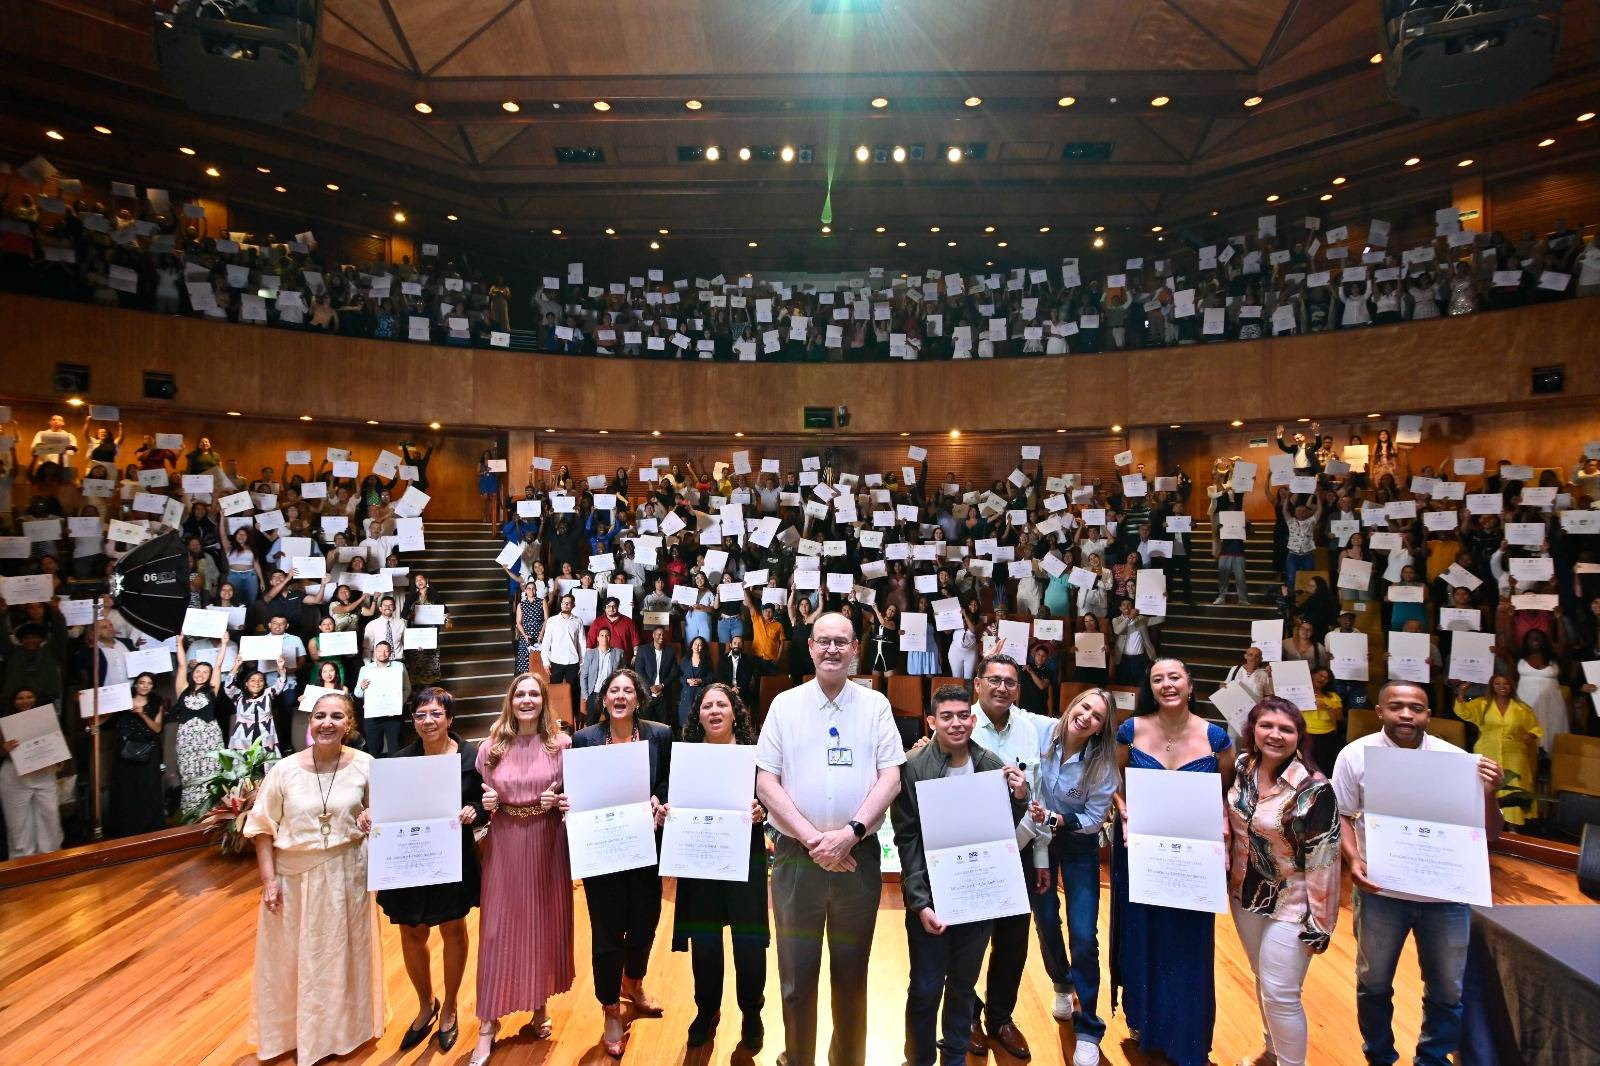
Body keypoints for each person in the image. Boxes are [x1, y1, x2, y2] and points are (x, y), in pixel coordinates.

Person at [755, 611, 905, 1066]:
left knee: (850, 976)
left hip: (856, 862)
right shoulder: (785, 705)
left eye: (841, 641)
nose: (832, 649)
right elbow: (766, 781)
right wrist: (815, 842)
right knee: (796, 977)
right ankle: (798, 1059)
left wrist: (850, 833)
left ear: (856, 648)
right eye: (824, 641)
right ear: (811, 647)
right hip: (795, 862)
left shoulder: (875, 705)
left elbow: (891, 777)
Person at [1332, 680, 1504, 1066]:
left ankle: (1432, 1058)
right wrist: (1353, 858)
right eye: (1396, 707)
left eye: (1416, 708)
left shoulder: (1456, 759)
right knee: (1373, 984)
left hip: (1446, 897)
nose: (1406, 714)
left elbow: (1490, 833)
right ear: (1380, 711)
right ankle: (1378, 1056)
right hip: (1380, 892)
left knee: (1446, 991)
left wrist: (1490, 795)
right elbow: (1341, 814)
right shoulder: (1355, 755)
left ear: (1429, 713)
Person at [242, 692, 382, 1065]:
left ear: (349, 725)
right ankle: (293, 1034)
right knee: (291, 960)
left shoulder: (366, 765)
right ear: (309, 722)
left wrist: (371, 819)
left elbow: (384, 814)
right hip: (294, 879)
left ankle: (339, 1033)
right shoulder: (283, 770)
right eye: (320, 715)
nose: (327, 723)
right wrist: (268, 880)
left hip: (347, 875)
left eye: (337, 716)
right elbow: (261, 827)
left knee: (340, 957)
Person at [893, 684, 1030, 1066]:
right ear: (931, 721)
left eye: (962, 716)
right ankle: (918, 1059)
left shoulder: (990, 764)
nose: (956, 724)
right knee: (924, 989)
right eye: (946, 716)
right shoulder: (913, 766)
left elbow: (999, 831)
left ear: (973, 719)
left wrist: (1020, 797)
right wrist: (919, 903)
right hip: (930, 900)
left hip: (977, 899)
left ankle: (954, 1057)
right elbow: (908, 840)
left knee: (963, 988)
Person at [1111, 657, 1235, 1066]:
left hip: (1192, 858)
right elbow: (1116, 781)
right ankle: (1147, 1025)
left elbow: (1224, 791)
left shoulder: (1216, 737)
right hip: (1140, 849)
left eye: (1174, 677)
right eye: (1158, 679)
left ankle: (1186, 1035)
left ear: (1189, 684)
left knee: (1188, 943)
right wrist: (1122, 809)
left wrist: (1219, 822)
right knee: (1144, 933)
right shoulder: (1131, 729)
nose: (1167, 684)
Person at [366, 687, 485, 1054]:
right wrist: (372, 815)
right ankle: (425, 1004)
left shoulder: (471, 757)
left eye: (436, 714)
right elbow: (386, 807)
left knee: (452, 928)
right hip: (409, 859)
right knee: (411, 931)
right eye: (420, 715)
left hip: (452, 856)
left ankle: (449, 1007)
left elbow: (484, 798)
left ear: (450, 718)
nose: (428, 721)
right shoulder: (401, 761)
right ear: (413, 721)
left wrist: (474, 811)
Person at [1227, 696, 1341, 1066]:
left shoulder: (1314, 789)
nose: (1275, 735)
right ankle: (1272, 1051)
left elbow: (1325, 863)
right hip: (1245, 894)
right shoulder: (1243, 767)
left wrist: (1321, 924)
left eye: (1286, 729)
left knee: (1281, 992)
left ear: (1299, 736)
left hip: (1292, 902)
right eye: (1267, 726)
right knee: (1263, 976)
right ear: (1253, 730)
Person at [471, 673, 575, 1066]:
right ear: (510, 701)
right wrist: (487, 804)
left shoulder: (561, 745)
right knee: (497, 930)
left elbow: (577, 796)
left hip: (548, 844)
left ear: (543, 701)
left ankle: (538, 1006)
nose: (527, 700)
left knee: (542, 923)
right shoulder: (491, 747)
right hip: (505, 844)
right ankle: (487, 1023)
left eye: (534, 694)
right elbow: (474, 799)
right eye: (520, 694)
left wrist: (560, 799)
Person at [572, 668, 673, 1057]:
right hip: (601, 848)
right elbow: (575, 788)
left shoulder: (658, 734)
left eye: (627, 690)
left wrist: (658, 799)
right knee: (608, 930)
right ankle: (610, 1008)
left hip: (645, 845)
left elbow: (666, 780)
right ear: (604, 698)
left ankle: (634, 981)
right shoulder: (585, 740)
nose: (620, 696)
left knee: (646, 921)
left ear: (638, 698)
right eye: (613, 690)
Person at [671, 682, 770, 1051]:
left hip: (745, 857)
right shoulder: (686, 756)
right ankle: (707, 1009)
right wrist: (668, 811)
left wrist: (764, 811)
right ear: (697, 715)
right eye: (707, 705)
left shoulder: (754, 755)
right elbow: (673, 800)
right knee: (706, 942)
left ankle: (751, 1011)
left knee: (749, 942)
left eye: (721, 705)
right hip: (700, 860)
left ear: (734, 712)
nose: (714, 711)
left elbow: (772, 798)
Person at [1029, 688, 1120, 1066]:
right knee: (1046, 920)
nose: (1086, 716)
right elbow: (1002, 708)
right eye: (1084, 706)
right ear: (1072, 705)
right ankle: (1063, 983)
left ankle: (1088, 1028)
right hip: (1039, 844)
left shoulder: (1103, 764)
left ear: (1101, 728)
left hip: (1078, 845)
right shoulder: (1038, 729)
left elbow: (1095, 820)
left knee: (1084, 934)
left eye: (1097, 716)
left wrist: (1057, 819)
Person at [966, 653, 1049, 1060]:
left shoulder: (1030, 730)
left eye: (1010, 682)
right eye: (994, 680)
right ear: (977, 683)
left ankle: (1000, 1016)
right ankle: (965, 1014)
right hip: (971, 851)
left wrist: (1041, 858)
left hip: (1018, 849)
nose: (1002, 687)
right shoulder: (960, 723)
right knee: (967, 941)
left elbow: (1038, 798)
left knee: (1013, 941)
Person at [1450, 673, 1542, 827]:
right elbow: (1463, 712)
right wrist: (1461, 693)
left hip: (1515, 753)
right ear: (1492, 686)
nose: (1502, 687)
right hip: (1487, 750)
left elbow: (1535, 728)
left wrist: (1530, 736)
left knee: (1514, 785)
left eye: (1505, 683)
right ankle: (1484, 822)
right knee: (1486, 785)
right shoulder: (1483, 704)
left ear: (1511, 686)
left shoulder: (1522, 708)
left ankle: (1513, 825)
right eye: (1497, 684)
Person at [0, 687, 65, 856]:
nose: (25, 701)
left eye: (29, 696)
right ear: (13, 701)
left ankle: (50, 856)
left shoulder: (47, 718)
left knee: (50, 817)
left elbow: (57, 744)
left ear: (36, 698)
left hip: (44, 773)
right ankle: (21, 860)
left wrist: (60, 758)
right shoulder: (4, 722)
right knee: (18, 823)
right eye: (20, 698)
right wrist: (4, 749)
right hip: (14, 776)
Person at [173, 637, 229, 816]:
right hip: (187, 739)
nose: (201, 674)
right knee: (189, 773)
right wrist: (179, 644)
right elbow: (182, 665)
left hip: (209, 737)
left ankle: (210, 811)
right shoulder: (182, 689)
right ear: (193, 671)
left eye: (206, 671)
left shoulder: (212, 689)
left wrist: (224, 644)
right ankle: (191, 812)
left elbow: (219, 666)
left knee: (211, 772)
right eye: (199, 670)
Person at [107, 672, 166, 837]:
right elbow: (106, 720)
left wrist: (142, 713)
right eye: (142, 682)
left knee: (148, 790)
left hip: (149, 753)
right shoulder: (122, 702)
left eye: (149, 683)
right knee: (127, 790)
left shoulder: (157, 703)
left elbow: (157, 728)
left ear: (153, 686)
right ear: (135, 684)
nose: (145, 685)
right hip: (125, 753)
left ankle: (149, 827)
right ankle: (127, 827)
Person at [355, 640, 411, 756]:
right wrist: (362, 687)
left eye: (386, 650)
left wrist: (398, 704)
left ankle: (395, 773)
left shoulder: (399, 666)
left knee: (396, 749)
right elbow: (357, 694)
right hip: (372, 716)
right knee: (374, 751)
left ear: (391, 652)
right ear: (375, 652)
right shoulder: (366, 669)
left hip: (393, 715)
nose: (383, 653)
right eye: (379, 650)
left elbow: (407, 688)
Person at [539, 592, 585, 711]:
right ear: (561, 605)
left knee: (574, 690)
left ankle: (575, 716)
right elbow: (546, 643)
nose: (565, 605)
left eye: (568, 603)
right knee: (555, 690)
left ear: (573, 606)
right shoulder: (552, 621)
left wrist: (582, 663)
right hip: (556, 661)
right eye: (564, 603)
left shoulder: (578, 621)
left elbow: (582, 643)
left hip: (573, 662)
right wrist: (545, 662)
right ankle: (555, 714)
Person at [632, 625, 680, 726]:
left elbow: (674, 672)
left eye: (663, 634)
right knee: (644, 725)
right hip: (647, 694)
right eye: (659, 634)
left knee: (662, 726)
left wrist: (662, 685)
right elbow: (639, 670)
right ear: (653, 635)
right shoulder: (643, 650)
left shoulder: (670, 651)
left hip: (663, 695)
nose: (661, 636)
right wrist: (651, 686)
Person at [715, 632, 761, 712]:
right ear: (730, 645)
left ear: (743, 646)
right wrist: (731, 688)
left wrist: (739, 689)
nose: (737, 645)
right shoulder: (723, 658)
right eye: (735, 643)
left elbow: (747, 677)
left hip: (742, 690)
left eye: (739, 643)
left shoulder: (748, 660)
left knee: (750, 701)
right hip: (727, 689)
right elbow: (721, 676)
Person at [678, 634, 714, 732]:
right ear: (691, 645)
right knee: (685, 723)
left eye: (700, 645)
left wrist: (701, 680)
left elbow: (711, 677)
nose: (697, 646)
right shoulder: (685, 660)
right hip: (686, 694)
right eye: (695, 644)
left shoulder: (706, 661)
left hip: (700, 693)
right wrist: (686, 680)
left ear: (703, 647)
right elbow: (679, 676)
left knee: (699, 722)